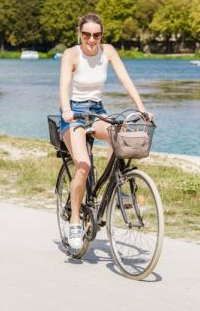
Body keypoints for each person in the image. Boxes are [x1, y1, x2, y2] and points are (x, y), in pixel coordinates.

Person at [59, 13, 152, 253]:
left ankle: (119, 188)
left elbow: (126, 80)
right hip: (75, 113)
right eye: (87, 34)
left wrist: (142, 109)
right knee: (83, 165)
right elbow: (63, 87)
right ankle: (75, 222)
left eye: (96, 35)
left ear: (102, 35)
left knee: (120, 134)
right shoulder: (71, 54)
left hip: (97, 110)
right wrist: (67, 110)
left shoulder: (108, 51)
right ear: (80, 33)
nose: (91, 39)